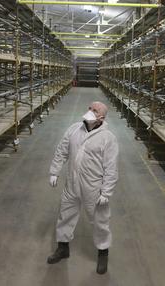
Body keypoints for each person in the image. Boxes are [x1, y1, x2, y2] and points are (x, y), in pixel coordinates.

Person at [47, 101, 119, 274]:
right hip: (72, 182)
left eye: (94, 110)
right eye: (89, 108)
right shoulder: (74, 129)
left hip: (94, 187)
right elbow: (62, 150)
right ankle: (63, 248)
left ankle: (103, 253)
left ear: (101, 116)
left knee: (100, 221)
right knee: (65, 214)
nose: (89, 111)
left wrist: (106, 191)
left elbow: (111, 167)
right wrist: (55, 171)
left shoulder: (108, 138)